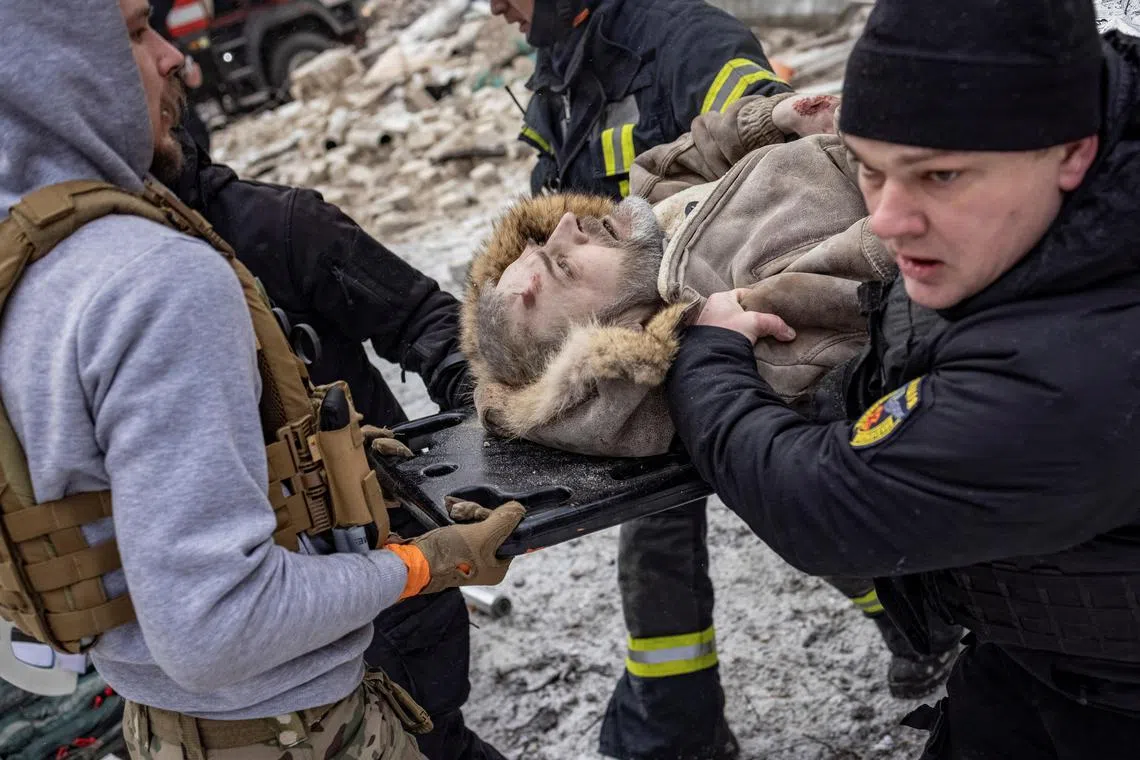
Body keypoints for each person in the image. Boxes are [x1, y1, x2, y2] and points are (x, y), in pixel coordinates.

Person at [0, 3, 523, 759]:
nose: (176, 59)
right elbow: (216, 624)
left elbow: (107, 515)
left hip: (167, 726)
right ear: (62, 61)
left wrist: (321, 460)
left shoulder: (27, 269)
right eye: (137, 29)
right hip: (289, 728)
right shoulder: (155, 280)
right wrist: (425, 562)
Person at [664, 0, 1140, 757]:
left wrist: (708, 357)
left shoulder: (1075, 374)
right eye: (869, 167)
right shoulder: (1091, 124)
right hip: (1041, 661)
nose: (887, 217)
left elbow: (821, 505)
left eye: (940, 176)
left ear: (1073, 153)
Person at [462, 90, 960, 699]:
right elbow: (907, 253)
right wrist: (906, 156)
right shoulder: (755, 315)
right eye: (566, 266)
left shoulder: (642, 236)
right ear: (614, 336)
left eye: (548, 248)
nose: (568, 224)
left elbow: (666, 166)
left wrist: (767, 121)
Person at [149, 70, 502, 760]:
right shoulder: (100, 278)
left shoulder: (275, 227)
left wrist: (492, 443)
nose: (181, 63)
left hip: (391, 583)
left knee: (437, 745)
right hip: (257, 627)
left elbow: (430, 323)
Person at [488, 3, 792, 755]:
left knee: (789, 495)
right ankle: (674, 726)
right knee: (663, 533)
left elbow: (774, 171)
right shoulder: (560, 59)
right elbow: (550, 191)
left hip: (735, 334)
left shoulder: (690, 41)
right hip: (642, 361)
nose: (495, 6)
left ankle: (916, 616)